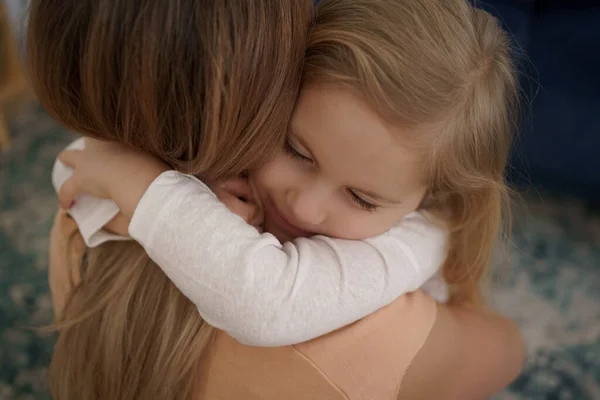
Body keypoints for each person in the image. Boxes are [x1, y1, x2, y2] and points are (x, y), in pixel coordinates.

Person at [29, 0, 524, 398]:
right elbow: (83, 162)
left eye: (361, 198)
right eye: (296, 150)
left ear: (429, 199)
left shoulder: (412, 244)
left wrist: (141, 190)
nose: (304, 207)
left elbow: (265, 301)